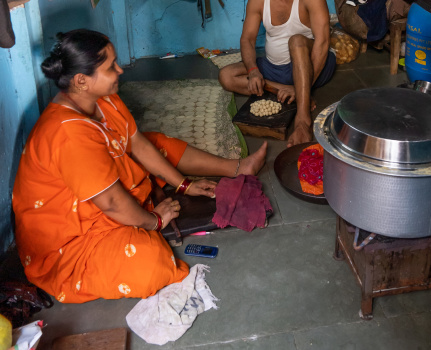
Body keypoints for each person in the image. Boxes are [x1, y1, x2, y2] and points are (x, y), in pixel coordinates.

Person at [13, 29, 267, 304]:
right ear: (81, 81)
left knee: (155, 142)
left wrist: (185, 185)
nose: (120, 70)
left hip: (103, 196)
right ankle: (137, 224)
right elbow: (109, 201)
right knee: (151, 262)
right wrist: (154, 221)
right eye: (111, 67)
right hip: (69, 240)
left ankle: (237, 167)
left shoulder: (104, 99)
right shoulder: (67, 134)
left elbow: (139, 145)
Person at [219, 0, 335, 148]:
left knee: (297, 41)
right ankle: (288, 91)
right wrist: (254, 70)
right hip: (274, 70)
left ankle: (302, 119)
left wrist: (303, 83)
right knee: (226, 76)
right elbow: (247, 39)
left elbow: (323, 42)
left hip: (312, 65)